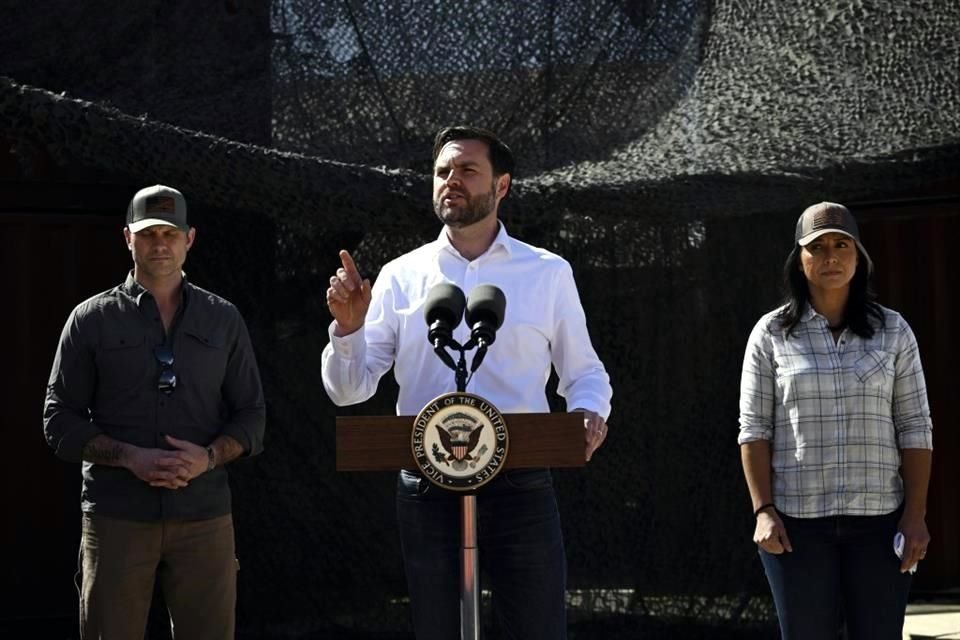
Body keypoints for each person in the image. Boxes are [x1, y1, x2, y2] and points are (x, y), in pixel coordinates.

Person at [322, 126, 612, 639]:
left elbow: (584, 372)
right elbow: (350, 390)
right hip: (427, 485)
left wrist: (589, 411)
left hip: (519, 482)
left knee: (536, 629)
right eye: (442, 172)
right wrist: (348, 330)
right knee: (439, 630)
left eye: (467, 170)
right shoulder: (399, 275)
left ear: (501, 186)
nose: (450, 181)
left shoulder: (546, 272)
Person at [43, 184, 266, 639]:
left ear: (190, 238)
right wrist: (130, 457)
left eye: (170, 233)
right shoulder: (91, 319)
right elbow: (58, 419)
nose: (159, 244)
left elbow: (252, 416)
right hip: (117, 516)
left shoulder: (223, 319)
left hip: (204, 515)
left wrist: (206, 458)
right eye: (147, 234)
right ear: (128, 238)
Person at [738, 202, 933, 639]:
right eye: (817, 247)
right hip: (797, 527)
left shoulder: (893, 331)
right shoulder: (770, 334)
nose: (830, 257)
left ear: (859, 257)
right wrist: (764, 510)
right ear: (799, 259)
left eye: (841, 245)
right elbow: (753, 429)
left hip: (879, 523)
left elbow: (916, 426)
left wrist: (915, 515)